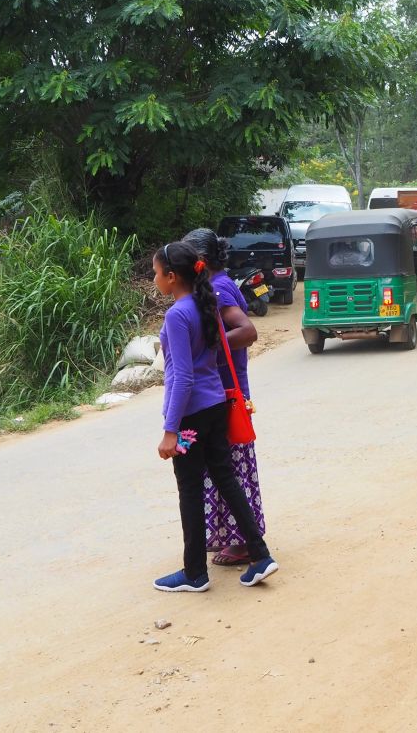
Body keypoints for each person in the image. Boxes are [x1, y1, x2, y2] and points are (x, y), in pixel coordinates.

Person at [152, 240, 277, 591]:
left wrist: (170, 429)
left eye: (156, 274)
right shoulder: (204, 303)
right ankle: (261, 555)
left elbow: (182, 376)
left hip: (191, 415)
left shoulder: (177, 314)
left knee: (190, 489)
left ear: (172, 277)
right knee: (225, 479)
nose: (155, 280)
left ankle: (194, 573)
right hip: (216, 406)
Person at [183, 227, 267, 568]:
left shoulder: (218, 288)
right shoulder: (219, 285)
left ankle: (247, 541)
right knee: (222, 468)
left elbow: (247, 331)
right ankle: (234, 535)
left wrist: (206, 344)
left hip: (226, 393)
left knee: (229, 469)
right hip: (222, 390)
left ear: (200, 262)